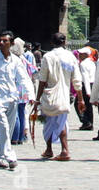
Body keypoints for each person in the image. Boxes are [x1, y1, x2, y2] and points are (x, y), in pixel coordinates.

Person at [0, 30, 34, 169]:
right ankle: (10, 156)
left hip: (12, 98)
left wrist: (31, 95)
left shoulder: (16, 60)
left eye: (5, 41)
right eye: (0, 40)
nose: (1, 43)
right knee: (3, 128)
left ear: (11, 43)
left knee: (8, 131)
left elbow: (23, 78)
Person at [34, 31, 83, 160]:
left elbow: (42, 80)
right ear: (65, 42)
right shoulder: (71, 57)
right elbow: (77, 79)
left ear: (52, 43)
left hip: (50, 94)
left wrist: (37, 99)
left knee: (49, 123)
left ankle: (54, 149)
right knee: (62, 122)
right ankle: (60, 149)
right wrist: (80, 99)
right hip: (64, 95)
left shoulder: (48, 57)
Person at [77, 47, 96, 131]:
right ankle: (90, 122)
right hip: (92, 84)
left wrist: (87, 91)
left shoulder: (83, 64)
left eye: (81, 54)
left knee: (78, 103)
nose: (79, 55)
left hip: (85, 85)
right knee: (89, 106)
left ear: (86, 55)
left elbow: (85, 77)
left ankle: (85, 121)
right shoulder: (92, 63)